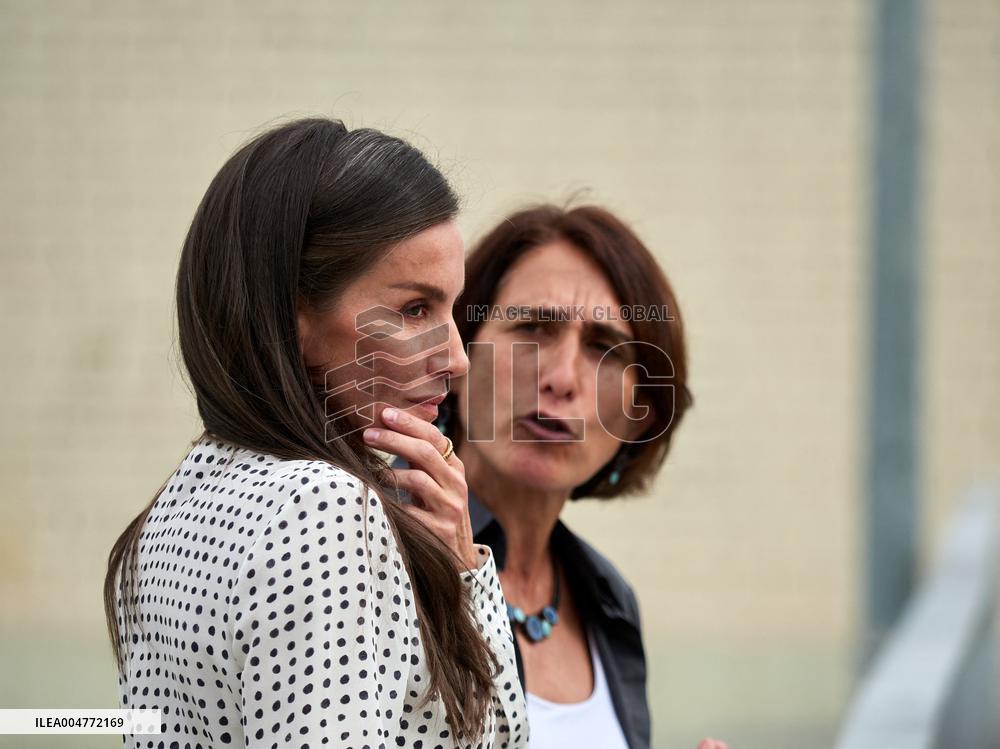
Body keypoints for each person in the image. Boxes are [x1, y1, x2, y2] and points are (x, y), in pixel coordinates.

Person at [103, 118, 528, 749]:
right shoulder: (320, 507)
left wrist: (462, 572)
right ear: (290, 318)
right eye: (414, 309)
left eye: (450, 309)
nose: (457, 360)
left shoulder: (169, 513)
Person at [432, 204, 695, 749]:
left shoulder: (608, 599)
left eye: (603, 348)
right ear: (456, 358)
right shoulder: (373, 547)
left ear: (638, 413)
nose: (560, 378)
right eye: (532, 326)